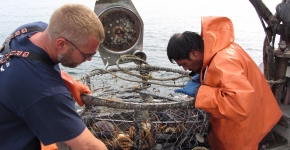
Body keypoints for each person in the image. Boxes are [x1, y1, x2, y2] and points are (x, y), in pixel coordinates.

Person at [0, 3, 107, 150]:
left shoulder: (31, 31)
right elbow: (89, 147)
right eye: (86, 55)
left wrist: (67, 79)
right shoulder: (47, 92)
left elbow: (32, 64)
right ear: (61, 44)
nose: (89, 60)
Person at [167, 16, 282, 150]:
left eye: (184, 64)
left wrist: (201, 92)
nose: (186, 69)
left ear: (194, 52)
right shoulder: (221, 48)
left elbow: (239, 104)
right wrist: (204, 74)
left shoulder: (224, 60)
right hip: (252, 119)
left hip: (242, 132)